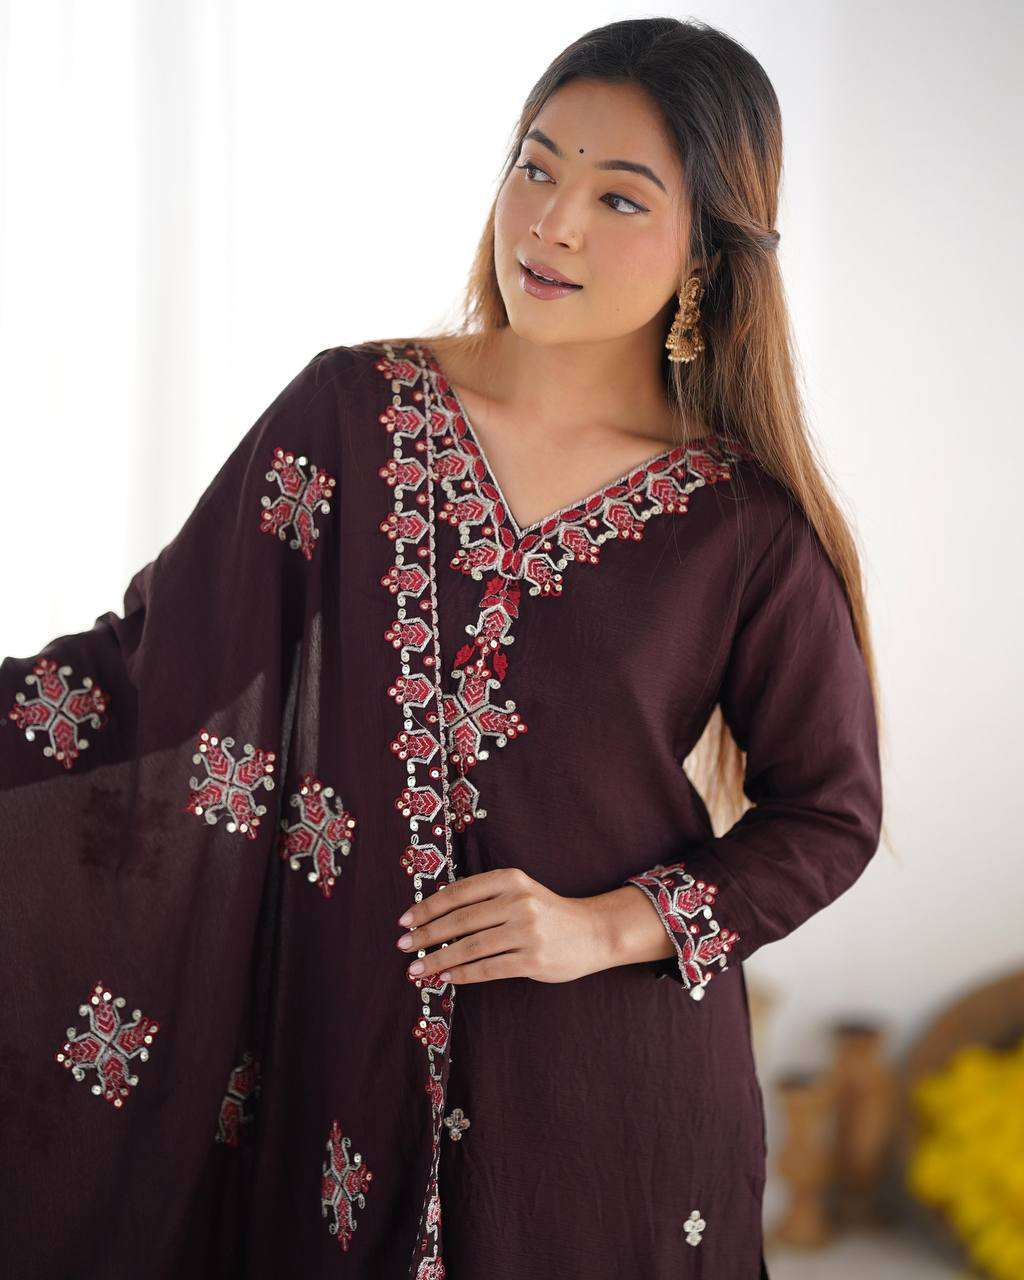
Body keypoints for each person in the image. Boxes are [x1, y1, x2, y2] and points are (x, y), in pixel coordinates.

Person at [0, 16, 885, 1280]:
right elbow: (151, 674)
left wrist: (607, 925)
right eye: (537, 166)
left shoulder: (740, 526)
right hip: (340, 1071)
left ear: (707, 251)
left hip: (603, 1105)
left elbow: (830, 813)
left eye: (618, 196)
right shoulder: (348, 414)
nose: (552, 223)